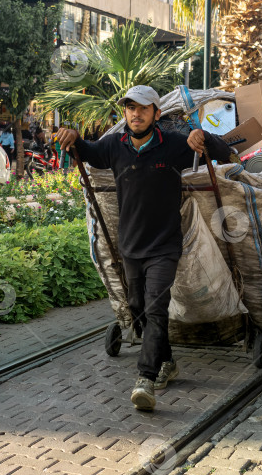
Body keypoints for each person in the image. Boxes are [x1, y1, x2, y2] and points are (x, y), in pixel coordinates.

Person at [56, 85, 232, 411]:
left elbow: (224, 154)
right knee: (138, 310)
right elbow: (90, 152)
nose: (135, 114)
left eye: (143, 108)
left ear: (156, 113)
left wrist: (204, 139)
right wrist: (74, 138)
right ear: (124, 112)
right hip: (130, 245)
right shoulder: (115, 145)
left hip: (165, 244)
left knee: (155, 308)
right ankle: (166, 361)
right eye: (130, 108)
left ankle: (146, 377)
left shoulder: (175, 145)